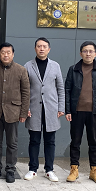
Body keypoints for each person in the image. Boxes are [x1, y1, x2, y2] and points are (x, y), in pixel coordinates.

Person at [0, 43, 30, 183]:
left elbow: (26, 93)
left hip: (13, 112)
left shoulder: (21, 70)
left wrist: (23, 113)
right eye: (3, 52)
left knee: (12, 143)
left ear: (13, 54)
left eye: (8, 52)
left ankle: (10, 169)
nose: (5, 55)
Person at [64, 41, 96, 184]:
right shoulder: (73, 69)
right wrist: (68, 110)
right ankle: (74, 169)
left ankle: (94, 171)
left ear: (95, 54)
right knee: (75, 141)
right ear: (80, 53)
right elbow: (67, 90)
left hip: (94, 112)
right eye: (85, 51)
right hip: (76, 111)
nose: (88, 54)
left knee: (93, 142)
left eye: (90, 51)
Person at [23, 37, 65, 183]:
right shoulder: (28, 66)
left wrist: (61, 107)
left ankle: (49, 169)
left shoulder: (55, 66)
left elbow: (60, 88)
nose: (41, 49)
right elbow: (24, 89)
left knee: (50, 141)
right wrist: (26, 108)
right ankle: (32, 169)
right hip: (34, 109)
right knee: (34, 140)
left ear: (49, 49)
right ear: (35, 48)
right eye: (39, 46)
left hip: (51, 109)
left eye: (44, 46)